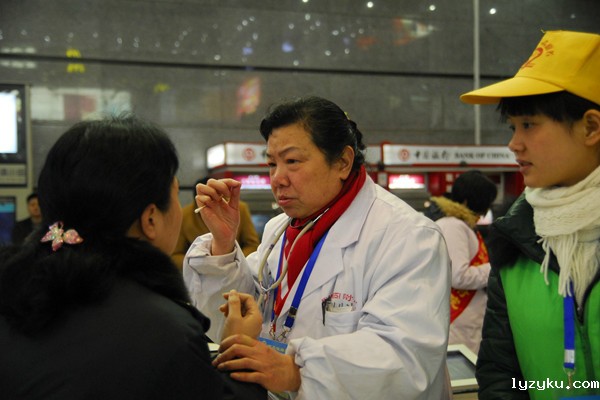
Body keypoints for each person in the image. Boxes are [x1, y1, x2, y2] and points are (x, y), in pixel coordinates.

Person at [183, 96, 452, 399]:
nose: (277, 179)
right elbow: (229, 318)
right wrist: (222, 243)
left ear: (343, 162)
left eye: (292, 162)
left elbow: (405, 358)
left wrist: (297, 371)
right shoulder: (279, 230)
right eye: (271, 164)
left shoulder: (408, 237)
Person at [0, 115, 265, 400]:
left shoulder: (14, 289)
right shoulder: (163, 332)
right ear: (150, 219)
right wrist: (238, 348)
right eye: (176, 195)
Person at [460, 30, 600, 399]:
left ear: (591, 127)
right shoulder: (515, 239)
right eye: (512, 127)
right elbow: (501, 372)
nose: (514, 143)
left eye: (529, 125)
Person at [425, 170, 498, 354]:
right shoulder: (453, 226)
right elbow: (459, 275)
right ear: (468, 201)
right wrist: (497, 267)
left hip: (464, 321)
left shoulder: (460, 225)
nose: (485, 211)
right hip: (458, 322)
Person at [172, 176, 260, 271]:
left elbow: (252, 244)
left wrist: (235, 261)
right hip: (196, 275)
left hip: (237, 270)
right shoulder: (185, 215)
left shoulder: (239, 209)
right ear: (196, 200)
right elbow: (176, 255)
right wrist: (203, 264)